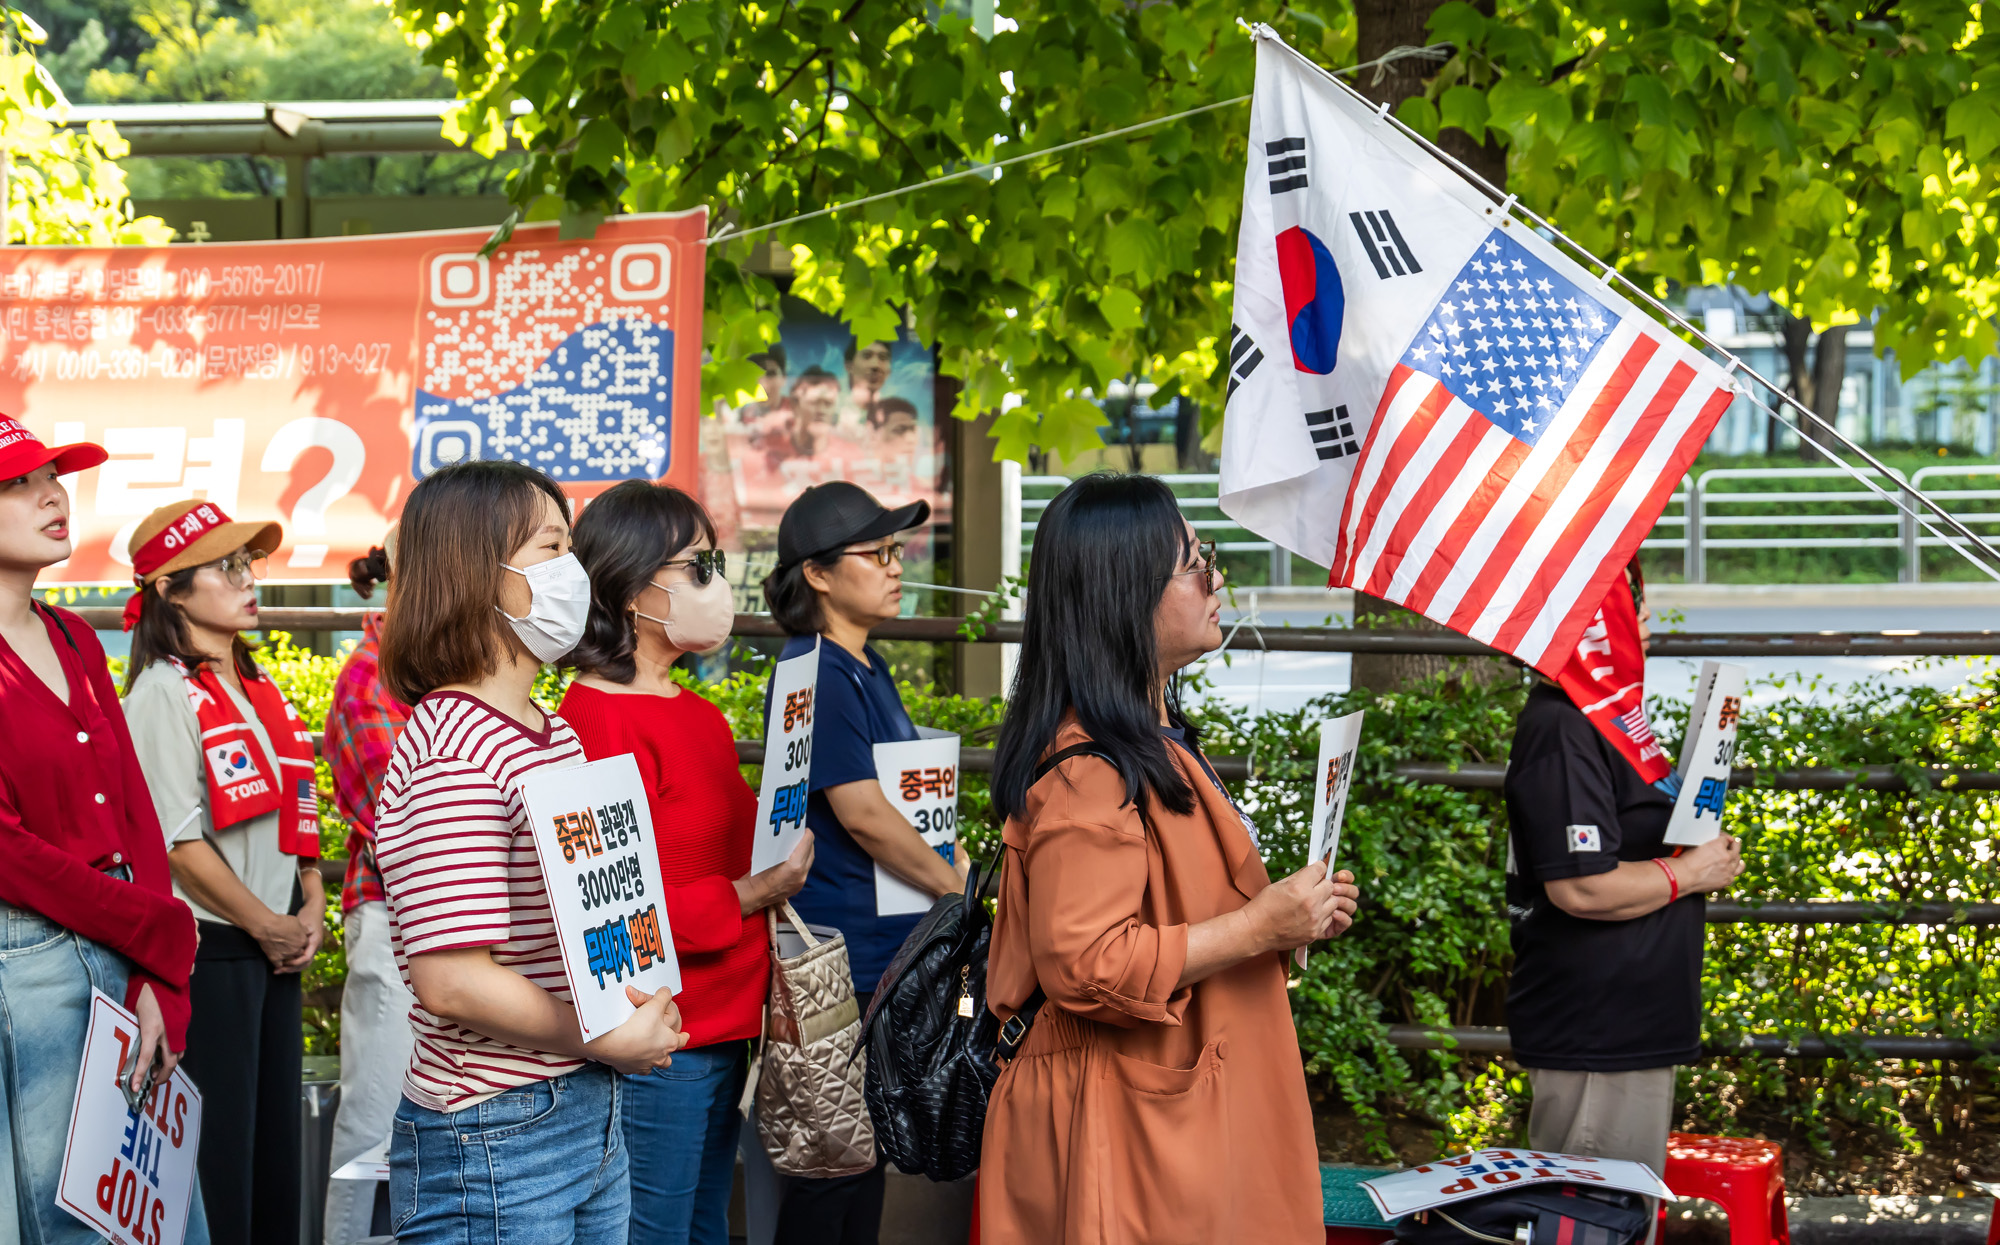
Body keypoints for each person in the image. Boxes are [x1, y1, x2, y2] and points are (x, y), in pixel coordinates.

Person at [980, 473, 1360, 1245]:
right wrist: (1258, 926)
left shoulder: (1147, 740)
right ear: (1126, 595)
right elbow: (1084, 961)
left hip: (1162, 1109)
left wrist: (1290, 918)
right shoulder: (1091, 770)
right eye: (1195, 563)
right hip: (1123, 1130)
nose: (1217, 579)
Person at [373, 460, 686, 1245]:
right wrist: (601, 1034)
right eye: (552, 548)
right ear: (477, 570)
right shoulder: (453, 750)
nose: (574, 572)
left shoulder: (553, 731)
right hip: (494, 1131)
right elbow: (452, 978)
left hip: (582, 1105)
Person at [560, 479, 815, 1245]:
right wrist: (752, 890)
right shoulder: (594, 721)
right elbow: (612, 911)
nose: (717, 584)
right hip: (662, 1035)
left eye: (716, 563)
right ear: (629, 587)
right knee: (654, 1230)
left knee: (705, 1225)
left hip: (730, 1026)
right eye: (698, 566)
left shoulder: (699, 714)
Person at [0, 418, 205, 1245]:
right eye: (17, 483)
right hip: (29, 960)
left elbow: (134, 809)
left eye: (52, 476)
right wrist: (152, 929)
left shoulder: (76, 636)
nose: (52, 495)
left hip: (125, 944)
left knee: (157, 1215)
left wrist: (159, 969)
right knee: (74, 1225)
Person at [760, 480, 966, 1245]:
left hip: (874, 960)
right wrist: (958, 890)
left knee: (859, 1156)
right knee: (833, 1167)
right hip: (837, 965)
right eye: (875, 552)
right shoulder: (817, 668)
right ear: (817, 573)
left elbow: (905, 802)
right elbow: (864, 812)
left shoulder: (860, 662)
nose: (895, 564)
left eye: (896, 549)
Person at [1503, 564, 1745, 1205]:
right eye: (1630, 602)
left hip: (1629, 1019)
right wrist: (1689, 873)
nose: (1642, 619)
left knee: (1620, 1215)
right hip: (1597, 1028)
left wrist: (1697, 853)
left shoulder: (1604, 713)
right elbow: (1581, 888)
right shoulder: (1563, 726)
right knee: (1595, 1217)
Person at [121, 498, 323, 1245]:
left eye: (248, 563)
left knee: (274, 1161)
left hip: (274, 948)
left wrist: (310, 899)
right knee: (221, 1168)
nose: (248, 580)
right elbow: (177, 843)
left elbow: (295, 814)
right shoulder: (161, 693)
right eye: (227, 567)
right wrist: (267, 923)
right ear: (170, 590)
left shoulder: (256, 687)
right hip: (216, 954)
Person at [321, 529, 416, 1245]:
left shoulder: (431, 671)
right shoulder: (369, 676)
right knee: (375, 1123)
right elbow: (406, 821)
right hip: (395, 917)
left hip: (438, 923)